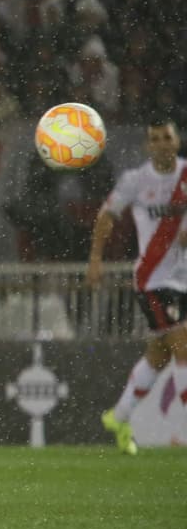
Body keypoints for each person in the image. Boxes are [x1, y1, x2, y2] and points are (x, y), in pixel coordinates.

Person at [87, 117, 187, 455]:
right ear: (148, 145)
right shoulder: (135, 180)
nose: (161, 143)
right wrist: (95, 260)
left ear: (177, 141)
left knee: (158, 354)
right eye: (154, 138)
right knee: (183, 346)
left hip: (184, 278)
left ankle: (119, 415)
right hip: (154, 279)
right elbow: (106, 215)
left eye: (167, 137)